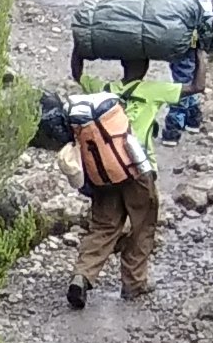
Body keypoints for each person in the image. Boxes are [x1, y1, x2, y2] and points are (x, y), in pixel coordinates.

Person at [59, 69, 172, 310]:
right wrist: (199, 55)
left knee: (102, 228)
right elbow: (196, 87)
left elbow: (76, 72)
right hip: (136, 169)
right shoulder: (152, 91)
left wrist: (80, 53)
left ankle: (82, 276)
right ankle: (134, 283)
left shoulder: (103, 89)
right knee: (143, 225)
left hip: (102, 175)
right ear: (144, 66)